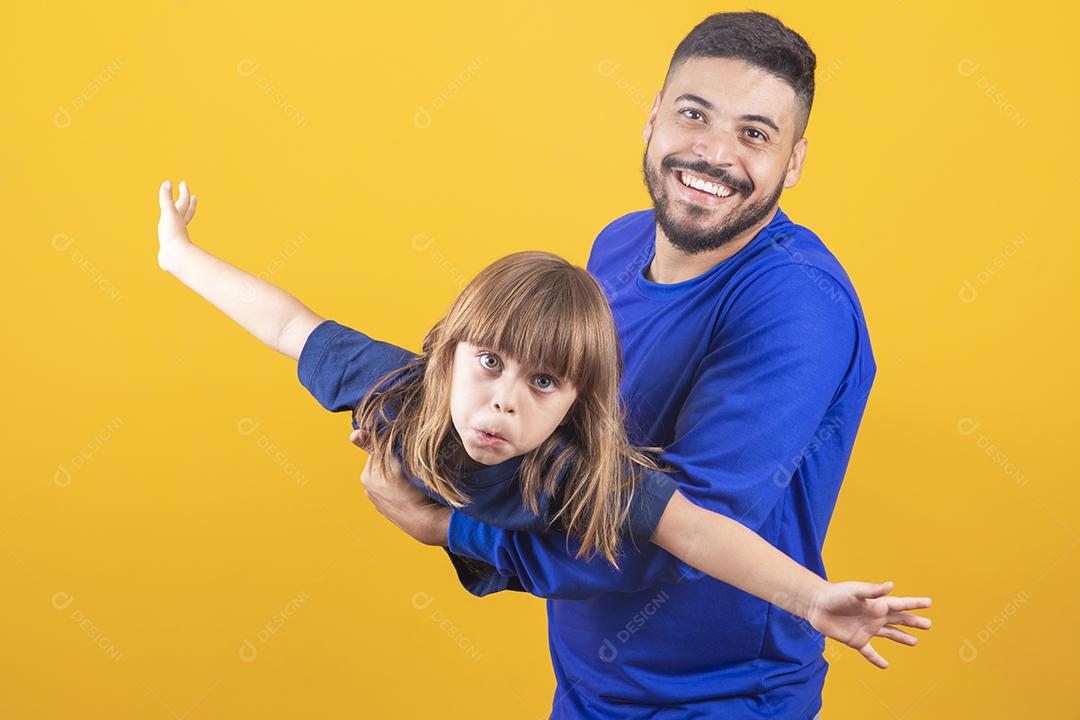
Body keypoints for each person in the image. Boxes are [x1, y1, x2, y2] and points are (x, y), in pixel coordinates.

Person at [353, 10, 910, 719]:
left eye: (754, 133)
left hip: (721, 701)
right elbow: (564, 447)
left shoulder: (797, 305)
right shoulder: (617, 246)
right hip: (594, 687)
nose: (713, 153)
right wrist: (425, 448)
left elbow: (677, 531)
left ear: (793, 162)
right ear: (652, 118)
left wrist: (451, 529)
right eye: (693, 114)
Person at [155, 179, 931, 675]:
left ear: (578, 403)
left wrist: (810, 599)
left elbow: (696, 530)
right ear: (447, 353)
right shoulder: (398, 392)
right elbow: (291, 324)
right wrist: (181, 255)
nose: (505, 403)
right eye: (488, 363)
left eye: (545, 383)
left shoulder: (577, 472)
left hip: (681, 661)